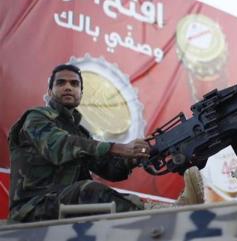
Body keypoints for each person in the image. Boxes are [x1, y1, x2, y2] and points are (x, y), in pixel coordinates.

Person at [8, 64, 204, 223]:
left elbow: (109, 170)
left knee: (91, 192)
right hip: (30, 210)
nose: (68, 87)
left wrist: (137, 156)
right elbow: (58, 146)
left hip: (65, 209)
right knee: (89, 190)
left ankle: (166, 212)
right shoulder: (36, 118)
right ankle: (165, 213)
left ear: (81, 93)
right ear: (50, 91)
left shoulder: (80, 132)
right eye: (61, 83)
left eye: (74, 84)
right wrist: (119, 148)